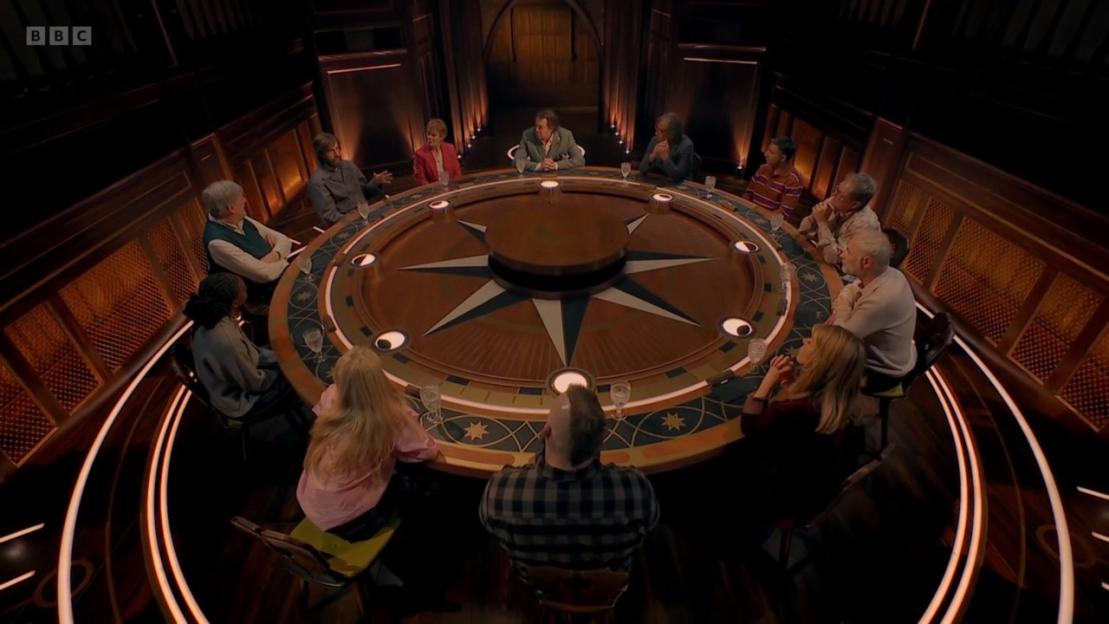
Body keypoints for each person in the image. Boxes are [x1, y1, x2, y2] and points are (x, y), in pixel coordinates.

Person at [480, 385, 659, 573]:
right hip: (607, 589)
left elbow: (488, 525)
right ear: (602, 437)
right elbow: (650, 525)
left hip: (533, 587)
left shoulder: (499, 491)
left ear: (545, 433)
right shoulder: (637, 489)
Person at [297, 347, 438, 538]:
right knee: (416, 477)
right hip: (355, 522)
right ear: (378, 379)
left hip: (311, 500)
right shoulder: (392, 415)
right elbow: (427, 451)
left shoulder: (331, 394)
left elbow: (322, 411)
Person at [740, 324, 866, 519]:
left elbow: (750, 428)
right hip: (815, 487)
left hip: (784, 494)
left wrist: (768, 381)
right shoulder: (842, 401)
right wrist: (789, 383)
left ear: (819, 361)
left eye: (811, 342)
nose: (804, 341)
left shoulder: (794, 410)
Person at [184, 273, 294, 419]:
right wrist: (285, 369)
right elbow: (255, 384)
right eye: (244, 289)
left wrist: (278, 357)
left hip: (241, 376)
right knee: (301, 373)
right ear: (235, 302)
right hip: (240, 401)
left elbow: (252, 354)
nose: (247, 289)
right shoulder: (226, 339)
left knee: (289, 349)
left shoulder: (213, 317)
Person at [831, 229, 917, 391]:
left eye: (848, 251)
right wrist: (846, 302)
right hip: (898, 355)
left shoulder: (883, 299)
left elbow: (841, 335)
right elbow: (852, 287)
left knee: (823, 354)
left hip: (881, 373)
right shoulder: (891, 273)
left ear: (866, 263)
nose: (841, 254)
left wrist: (842, 303)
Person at [201, 180, 292, 304]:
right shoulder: (217, 243)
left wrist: (271, 256)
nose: (245, 200)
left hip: (281, 277)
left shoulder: (238, 217)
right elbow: (265, 275)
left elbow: (284, 240)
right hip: (263, 298)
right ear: (231, 208)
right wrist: (282, 259)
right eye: (241, 198)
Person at [307, 132, 394, 225]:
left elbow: (364, 194)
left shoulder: (349, 166)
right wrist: (355, 221)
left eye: (337, 148)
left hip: (366, 217)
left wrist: (375, 183)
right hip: (348, 226)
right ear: (321, 155)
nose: (337, 154)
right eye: (331, 151)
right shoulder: (317, 182)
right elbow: (330, 216)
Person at [798, 172, 881, 265]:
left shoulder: (865, 224)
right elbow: (802, 231)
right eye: (837, 189)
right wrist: (814, 218)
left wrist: (822, 223)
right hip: (823, 257)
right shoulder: (835, 200)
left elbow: (833, 258)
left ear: (855, 204)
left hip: (848, 272)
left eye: (840, 195)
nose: (833, 195)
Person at [744, 136, 805, 222]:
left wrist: (756, 218)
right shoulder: (763, 169)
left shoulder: (794, 181)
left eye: (771, 152)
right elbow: (747, 194)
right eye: (767, 150)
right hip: (748, 215)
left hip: (766, 224)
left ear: (783, 158)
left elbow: (781, 215)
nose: (765, 154)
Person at [514, 109, 585, 173]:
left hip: (559, 177)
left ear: (551, 128)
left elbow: (579, 160)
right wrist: (539, 166)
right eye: (536, 126)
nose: (536, 130)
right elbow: (517, 161)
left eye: (540, 127)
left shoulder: (566, 135)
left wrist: (556, 165)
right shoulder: (527, 135)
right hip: (536, 177)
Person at [638, 112, 695, 184]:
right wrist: (652, 156)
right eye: (656, 129)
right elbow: (641, 169)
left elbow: (679, 178)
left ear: (673, 133)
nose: (656, 133)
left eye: (661, 131)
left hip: (679, 187)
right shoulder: (655, 140)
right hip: (658, 182)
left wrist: (666, 158)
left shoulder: (686, 145)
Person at [413, 118, 463, 185]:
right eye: (428, 134)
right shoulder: (420, 154)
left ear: (441, 137)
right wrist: (433, 191)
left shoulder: (450, 148)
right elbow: (420, 178)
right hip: (433, 191)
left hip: (452, 188)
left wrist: (455, 187)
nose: (430, 137)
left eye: (433, 135)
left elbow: (457, 171)